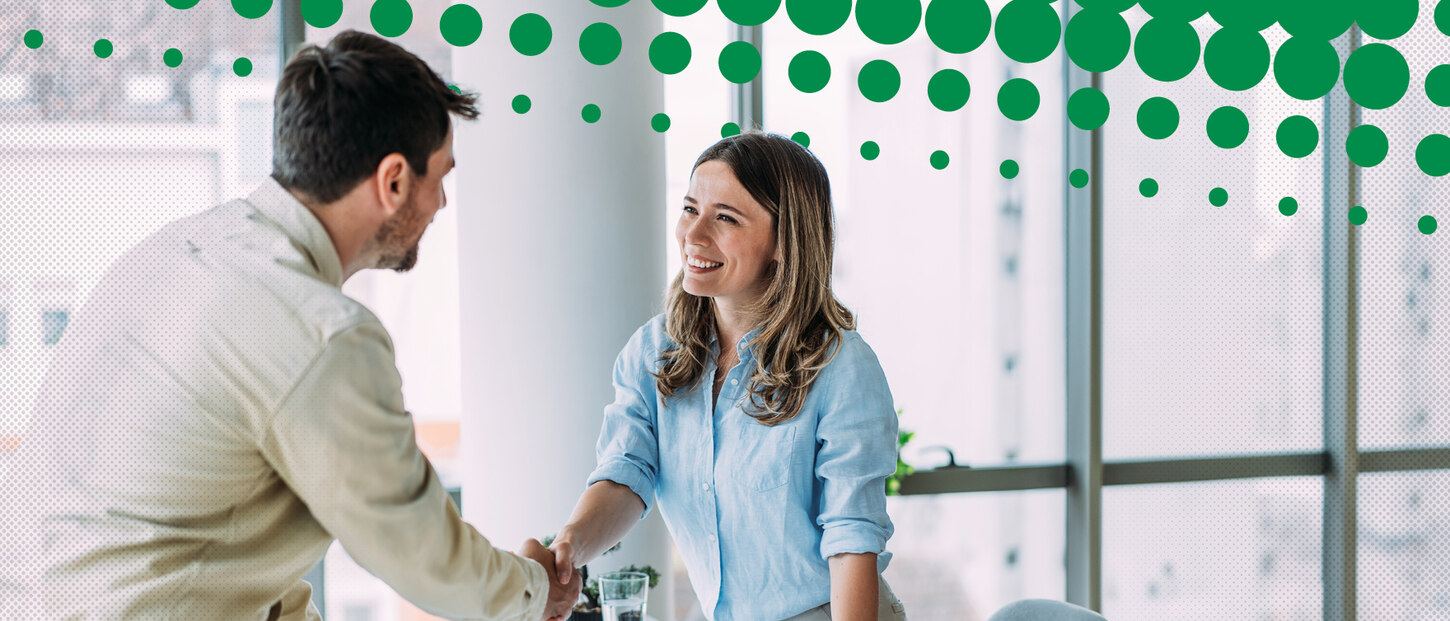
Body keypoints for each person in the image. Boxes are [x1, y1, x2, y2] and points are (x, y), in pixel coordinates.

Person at [0, 30, 579, 621]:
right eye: (441, 180)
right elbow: (427, 560)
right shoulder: (321, 333)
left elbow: (218, 533)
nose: (441, 206)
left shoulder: (176, 250)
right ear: (395, 181)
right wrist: (538, 590)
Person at [544, 131, 907, 621]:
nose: (694, 235)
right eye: (691, 208)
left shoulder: (842, 368)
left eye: (726, 218)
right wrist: (569, 546)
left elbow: (851, 543)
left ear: (785, 241)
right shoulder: (655, 350)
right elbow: (628, 471)